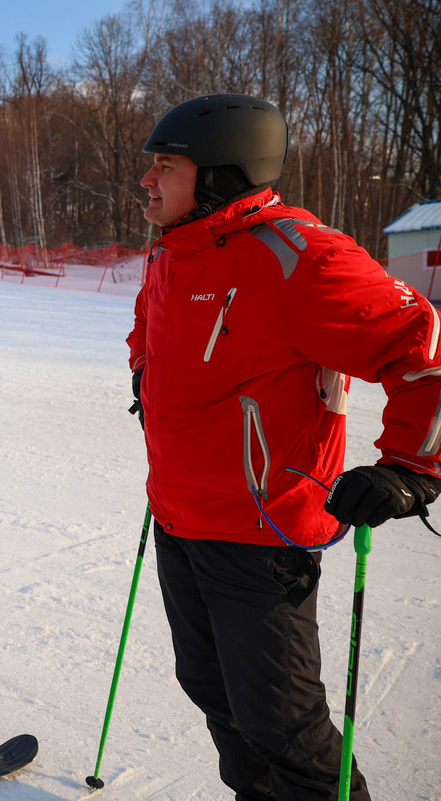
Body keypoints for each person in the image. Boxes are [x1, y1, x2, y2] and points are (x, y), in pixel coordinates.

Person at [127, 93, 441, 800]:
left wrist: (409, 469)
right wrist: (146, 380)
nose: (146, 181)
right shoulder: (170, 256)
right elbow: (149, 337)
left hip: (260, 534)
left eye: (164, 167)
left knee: (284, 726)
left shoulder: (298, 257)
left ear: (217, 174)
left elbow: (424, 353)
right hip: (179, 519)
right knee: (214, 695)